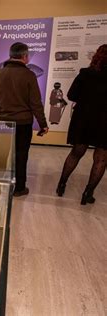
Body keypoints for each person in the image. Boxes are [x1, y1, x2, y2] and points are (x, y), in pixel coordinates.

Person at [0, 42, 49, 197]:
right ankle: (19, 188)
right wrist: (43, 124)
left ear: (10, 55)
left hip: (3, 122)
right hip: (23, 123)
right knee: (21, 155)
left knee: (1, 154)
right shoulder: (29, 75)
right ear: (25, 56)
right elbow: (36, 103)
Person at [56, 44, 107, 205]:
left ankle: (61, 184)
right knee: (101, 159)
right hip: (105, 122)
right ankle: (87, 193)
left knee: (76, 153)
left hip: (83, 119)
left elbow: (71, 95)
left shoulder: (85, 74)